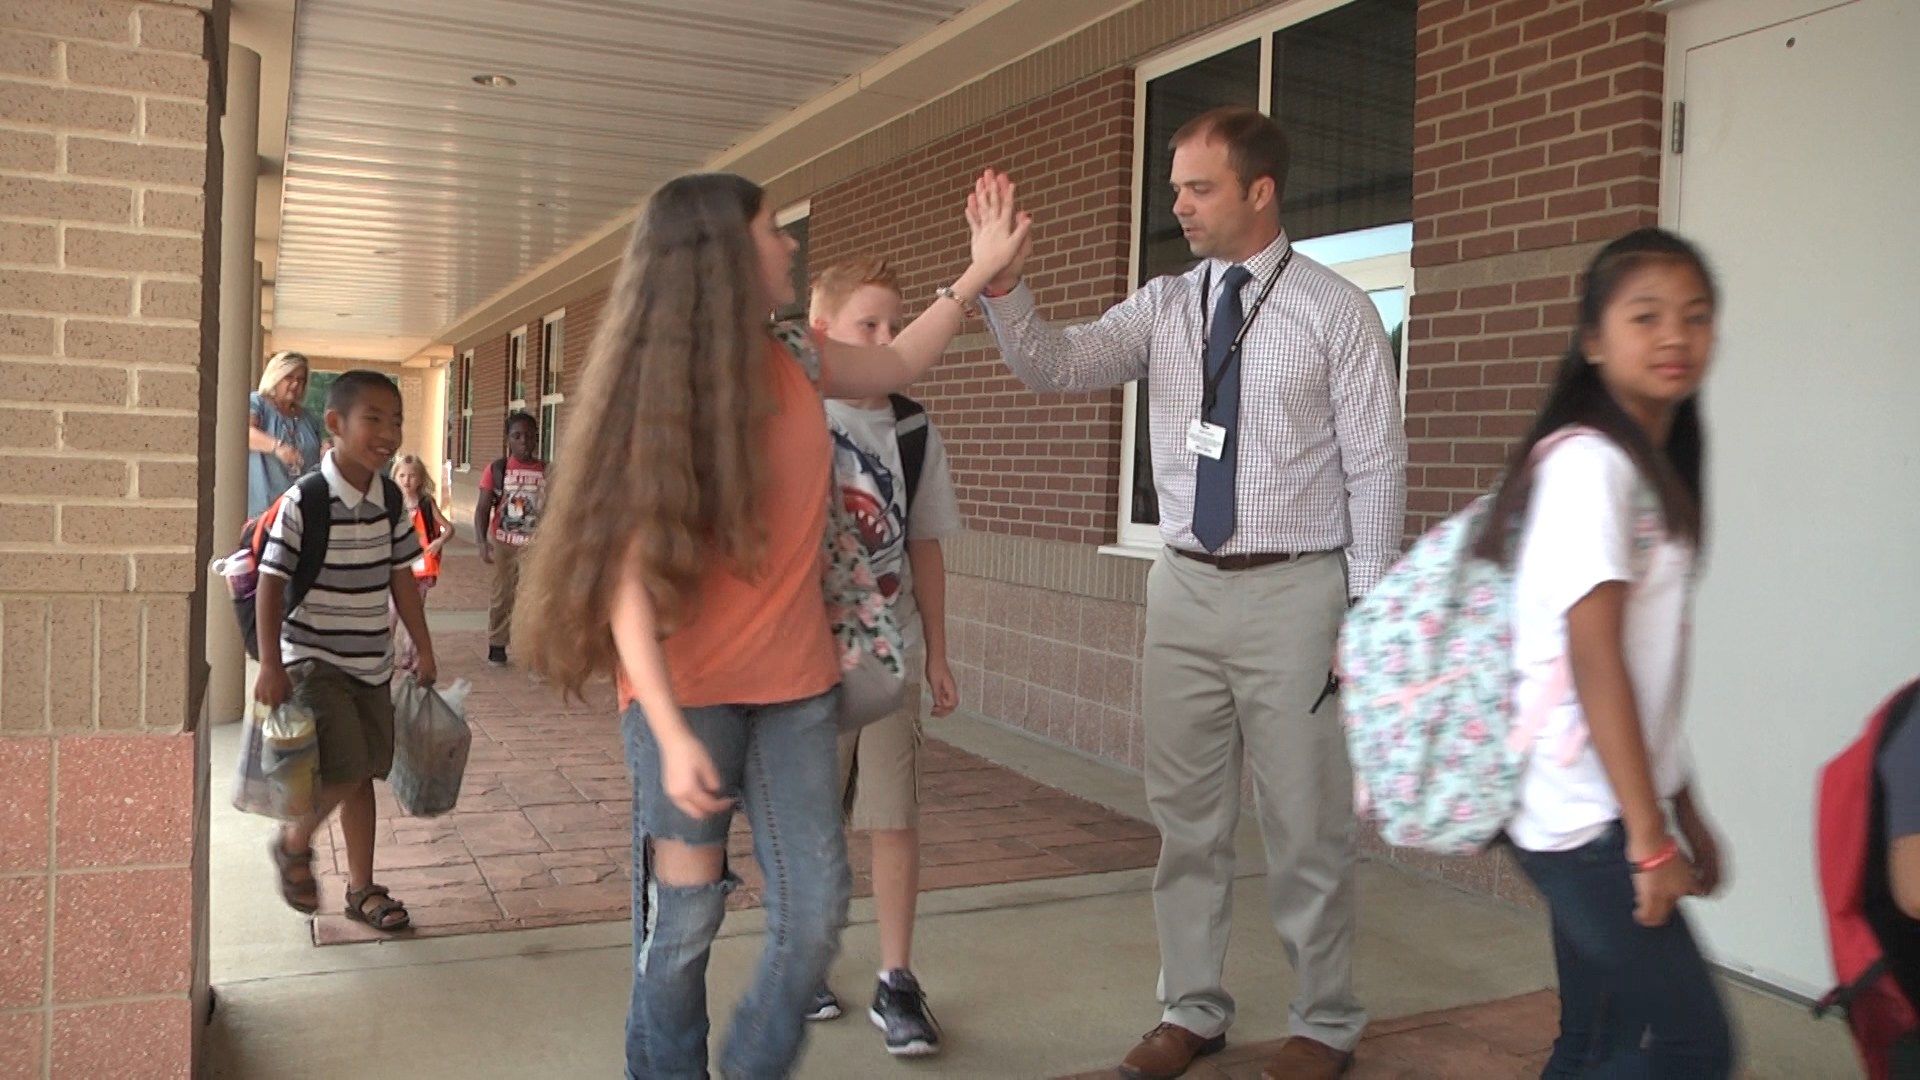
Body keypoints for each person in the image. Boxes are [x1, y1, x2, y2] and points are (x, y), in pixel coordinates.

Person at [511, 171, 1027, 1079]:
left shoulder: (799, 352)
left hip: (796, 689)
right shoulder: (658, 390)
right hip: (687, 697)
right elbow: (626, 581)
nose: (791, 246)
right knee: (685, 922)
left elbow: (901, 362)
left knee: (816, 911)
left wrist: (977, 272)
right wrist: (668, 735)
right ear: (722, 254)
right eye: (773, 231)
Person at [969, 106, 1405, 1080]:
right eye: (1174, 188)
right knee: (1186, 821)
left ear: (1260, 191)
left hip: (1297, 592)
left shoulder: (1336, 313)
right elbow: (1056, 363)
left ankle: (1325, 1023)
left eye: (1198, 188)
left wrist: (1366, 618)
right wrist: (1004, 284)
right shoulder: (1166, 306)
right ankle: (1193, 1009)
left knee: (1306, 825)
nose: (1179, 206)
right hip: (1183, 593)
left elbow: (1377, 469)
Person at [1486, 228, 1734, 1076]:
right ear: (1593, 340)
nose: (1675, 336)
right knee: (1695, 1046)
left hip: (1596, 806)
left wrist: (1684, 806)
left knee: (1596, 1040)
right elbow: (1596, 661)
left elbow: (1645, 671)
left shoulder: (1648, 466)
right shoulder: (1592, 465)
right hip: (1585, 816)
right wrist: (1651, 840)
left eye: (1696, 317)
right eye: (1646, 316)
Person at [801, 257, 965, 1057]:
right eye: (869, 326)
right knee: (812, 820)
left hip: (891, 658)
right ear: (824, 332)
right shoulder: (799, 420)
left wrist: (937, 650)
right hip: (810, 665)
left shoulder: (910, 427)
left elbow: (927, 544)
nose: (888, 340)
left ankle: (897, 977)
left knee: (895, 818)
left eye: (895, 325)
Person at [254, 370, 437, 934]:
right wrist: (271, 665)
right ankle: (293, 841)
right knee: (351, 764)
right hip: (314, 659)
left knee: (364, 775)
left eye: (397, 419)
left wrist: (422, 647)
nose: (389, 431)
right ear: (334, 425)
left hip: (370, 664)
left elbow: (401, 577)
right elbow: (270, 581)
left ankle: (362, 889)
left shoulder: (387, 498)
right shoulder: (306, 498)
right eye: (373, 419)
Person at [475, 411, 545, 666]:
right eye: (517, 436)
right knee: (503, 595)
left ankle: (535, 649)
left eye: (529, 435)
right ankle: (497, 644)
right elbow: (483, 508)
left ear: (537, 437)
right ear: (509, 440)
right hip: (504, 543)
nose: (524, 441)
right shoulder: (498, 470)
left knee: (535, 598)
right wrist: (482, 543)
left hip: (535, 547)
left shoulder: (547, 470)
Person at [247, 350, 325, 519]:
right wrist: (278, 447)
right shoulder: (258, 402)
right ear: (275, 376)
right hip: (263, 511)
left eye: (301, 379)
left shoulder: (310, 419)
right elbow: (245, 433)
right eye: (289, 377)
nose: (295, 384)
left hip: (301, 511)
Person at [389, 454, 449, 673]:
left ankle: (410, 654)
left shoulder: (426, 503)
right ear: (395, 477)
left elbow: (448, 528)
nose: (407, 481)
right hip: (397, 567)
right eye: (402, 475)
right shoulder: (391, 503)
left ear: (421, 479)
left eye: (412, 476)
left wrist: (438, 541)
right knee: (392, 611)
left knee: (414, 612)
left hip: (421, 566)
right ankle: (387, 654)